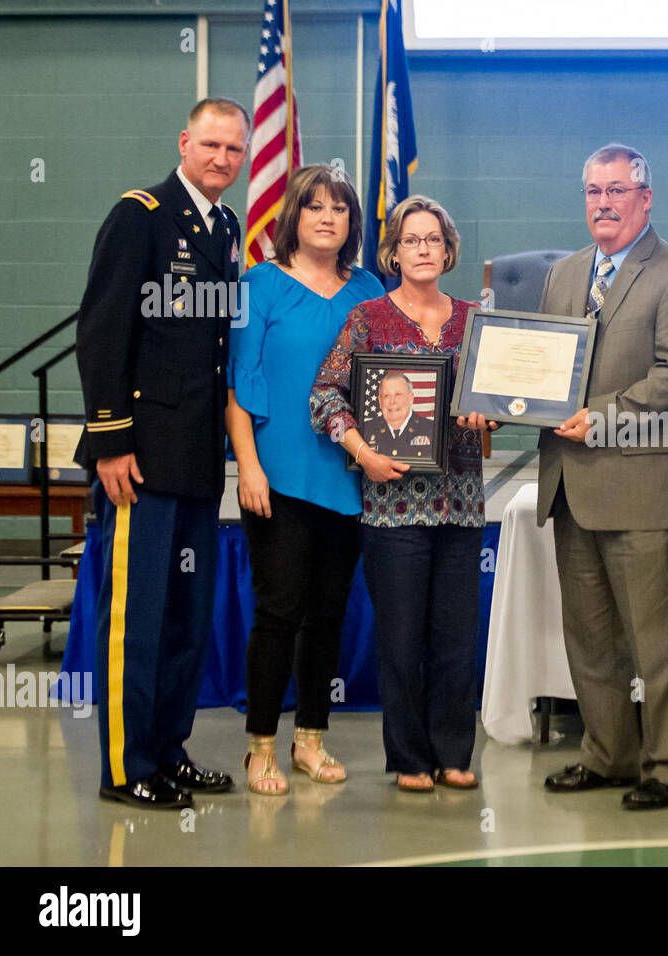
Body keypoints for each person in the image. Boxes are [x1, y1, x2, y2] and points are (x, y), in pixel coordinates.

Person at [75, 97, 250, 808]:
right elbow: (103, 331)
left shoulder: (228, 226)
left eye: (234, 151)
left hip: (197, 458)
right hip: (140, 460)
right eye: (211, 145)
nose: (222, 160)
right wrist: (111, 441)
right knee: (136, 617)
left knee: (186, 616)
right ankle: (125, 766)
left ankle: (167, 750)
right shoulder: (139, 215)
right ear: (185, 142)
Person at [538, 144, 668, 810]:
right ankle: (606, 754)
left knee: (660, 644)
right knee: (590, 639)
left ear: (646, 196)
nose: (602, 204)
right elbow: (540, 366)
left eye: (616, 190)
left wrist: (601, 417)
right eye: (592, 192)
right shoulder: (564, 274)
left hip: (645, 491)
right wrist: (504, 404)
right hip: (571, 487)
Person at [311, 195, 495, 793]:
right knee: (401, 637)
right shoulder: (368, 317)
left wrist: (489, 418)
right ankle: (410, 758)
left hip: (462, 505)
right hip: (391, 509)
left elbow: (497, 400)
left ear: (448, 249)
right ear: (393, 251)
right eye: (411, 240)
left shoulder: (475, 318)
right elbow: (325, 397)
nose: (422, 249)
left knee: (454, 636)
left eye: (433, 239)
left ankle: (453, 752)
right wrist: (362, 451)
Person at [227, 163, 385, 795]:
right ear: (294, 215)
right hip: (278, 478)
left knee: (328, 615)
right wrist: (249, 468)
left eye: (340, 208)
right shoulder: (258, 285)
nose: (328, 216)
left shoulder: (369, 287)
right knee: (278, 612)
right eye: (315, 206)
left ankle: (310, 741)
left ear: (350, 222)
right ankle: (260, 747)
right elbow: (241, 387)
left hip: (348, 481)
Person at [363, 372, 432, 458]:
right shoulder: (365, 430)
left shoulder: (431, 429)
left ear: (410, 398)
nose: (392, 401)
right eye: (386, 396)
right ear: (380, 401)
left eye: (398, 395)